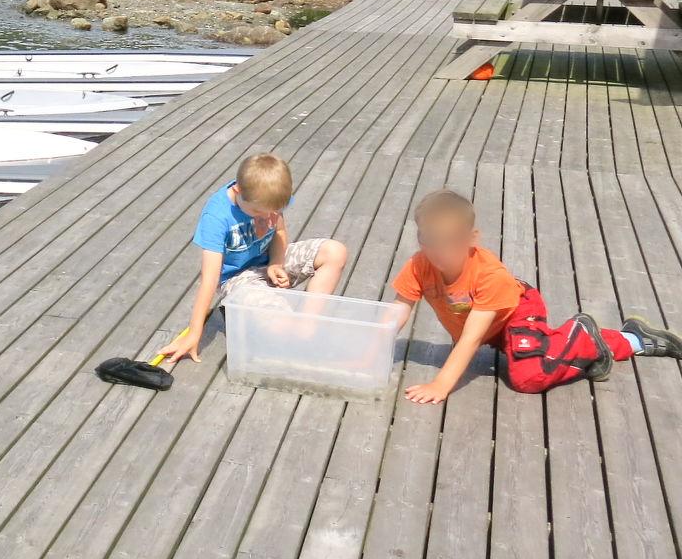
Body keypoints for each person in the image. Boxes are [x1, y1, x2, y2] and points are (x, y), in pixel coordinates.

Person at [393, 189, 682, 403]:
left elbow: (470, 340)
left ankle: (583, 333)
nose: (437, 251)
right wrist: (367, 354)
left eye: (449, 242)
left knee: (529, 376)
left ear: (471, 239)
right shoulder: (420, 265)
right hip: (487, 326)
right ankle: (632, 337)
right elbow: (396, 312)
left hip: (517, 310)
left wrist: (441, 385)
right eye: (428, 240)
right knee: (550, 351)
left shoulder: (489, 275)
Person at [157, 152, 349, 366]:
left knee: (335, 251)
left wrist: (276, 263)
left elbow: (280, 232)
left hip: (267, 262)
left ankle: (307, 327)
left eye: (273, 211)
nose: (267, 217)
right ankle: (255, 315)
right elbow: (209, 280)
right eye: (258, 211)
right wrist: (194, 333)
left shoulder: (268, 198)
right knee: (281, 325)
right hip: (237, 279)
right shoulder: (217, 217)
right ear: (238, 191)